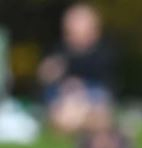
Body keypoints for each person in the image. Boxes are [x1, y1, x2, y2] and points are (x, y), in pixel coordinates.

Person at [37, 3, 116, 134]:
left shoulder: (103, 53)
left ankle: (82, 123)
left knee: (97, 113)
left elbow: (105, 86)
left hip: (92, 97)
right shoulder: (59, 50)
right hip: (65, 97)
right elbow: (46, 76)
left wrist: (81, 89)